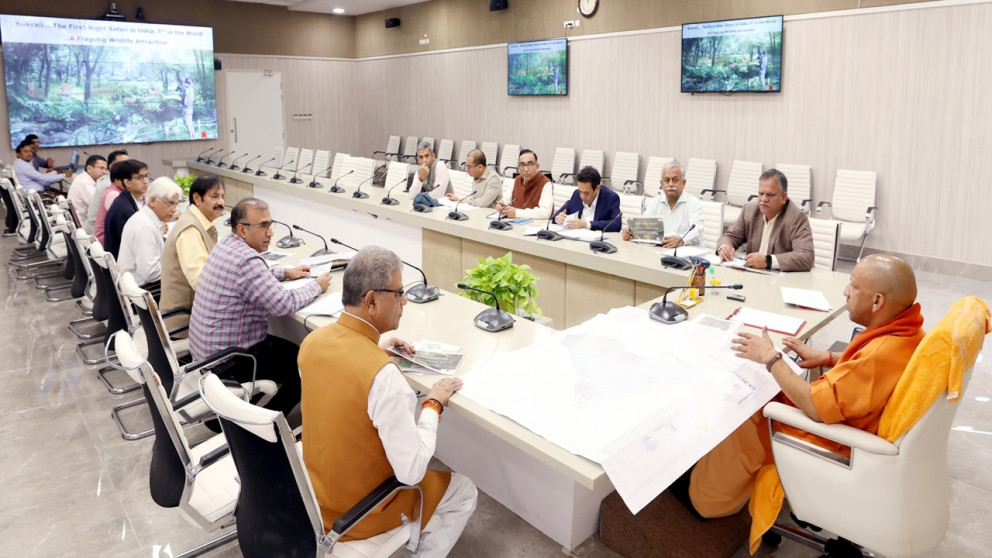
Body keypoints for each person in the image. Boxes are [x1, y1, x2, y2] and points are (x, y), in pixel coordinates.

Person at [684, 255, 924, 524]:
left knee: (746, 404)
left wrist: (771, 358)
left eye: (854, 286)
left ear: (877, 301)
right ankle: (714, 471)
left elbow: (814, 405)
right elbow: (865, 365)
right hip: (848, 423)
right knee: (766, 385)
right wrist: (828, 357)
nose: (846, 292)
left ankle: (708, 500)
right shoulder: (910, 333)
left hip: (833, 441)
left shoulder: (880, 355)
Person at [298, 246, 477, 557]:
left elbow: (341, 385)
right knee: (465, 491)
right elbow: (412, 472)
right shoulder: (383, 376)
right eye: (399, 293)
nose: (404, 301)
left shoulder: (312, 342)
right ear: (372, 300)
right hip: (362, 513)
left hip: (315, 497)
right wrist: (433, 404)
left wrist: (374, 349)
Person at [190, 198, 330, 418]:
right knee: (306, 364)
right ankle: (264, 425)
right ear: (242, 230)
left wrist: (286, 273)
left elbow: (249, 276)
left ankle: (248, 412)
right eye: (263, 225)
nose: (271, 232)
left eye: (270, 224)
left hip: (207, 357)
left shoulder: (226, 245)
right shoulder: (247, 261)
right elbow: (284, 304)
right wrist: (317, 286)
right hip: (231, 362)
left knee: (291, 352)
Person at [716, 168, 814, 272]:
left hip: (779, 278)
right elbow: (729, 236)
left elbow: (806, 256)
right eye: (761, 194)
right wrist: (725, 247)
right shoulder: (749, 210)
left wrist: (768, 261)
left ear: (784, 197)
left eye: (770, 195)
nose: (764, 199)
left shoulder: (797, 218)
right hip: (751, 275)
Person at [160, 174, 226, 322]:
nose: (221, 202)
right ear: (197, 198)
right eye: (215, 196)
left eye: (222, 196)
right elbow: (201, 283)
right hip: (184, 318)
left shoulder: (194, 220)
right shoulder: (190, 230)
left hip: (193, 312)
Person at [118, 177, 182, 288]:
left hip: (136, 285)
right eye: (170, 203)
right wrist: (179, 268)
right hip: (143, 289)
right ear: (152, 201)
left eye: (176, 204)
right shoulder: (145, 227)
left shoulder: (143, 217)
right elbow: (151, 273)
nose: (174, 209)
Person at [621, 161, 704, 247]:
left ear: (683, 183)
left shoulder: (693, 203)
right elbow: (643, 226)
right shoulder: (655, 202)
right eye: (666, 180)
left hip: (686, 251)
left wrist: (682, 240)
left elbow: (697, 230)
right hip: (660, 250)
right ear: (661, 183)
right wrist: (631, 233)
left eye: (675, 180)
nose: (670, 184)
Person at [552, 166, 622, 232]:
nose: (582, 196)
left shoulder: (610, 198)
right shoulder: (576, 194)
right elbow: (557, 214)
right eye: (580, 191)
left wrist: (587, 225)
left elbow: (616, 224)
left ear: (597, 188)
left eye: (586, 193)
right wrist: (558, 218)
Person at [103, 159, 149, 258]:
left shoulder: (125, 200)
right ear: (127, 182)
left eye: (146, 176)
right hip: (123, 264)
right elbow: (139, 244)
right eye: (139, 177)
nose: (145, 181)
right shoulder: (125, 210)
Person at [495, 148, 552, 220]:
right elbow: (505, 201)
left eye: (530, 165)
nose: (526, 170)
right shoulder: (517, 180)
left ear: (537, 166)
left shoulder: (545, 183)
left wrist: (517, 213)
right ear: (518, 167)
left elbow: (545, 213)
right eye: (522, 165)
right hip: (514, 223)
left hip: (535, 225)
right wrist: (501, 205)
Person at [85, 149, 129, 235]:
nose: (129, 167)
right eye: (124, 164)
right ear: (112, 167)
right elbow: (122, 215)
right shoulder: (108, 184)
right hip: (98, 234)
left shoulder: (114, 180)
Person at [67, 154, 108, 224]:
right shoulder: (84, 182)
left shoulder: (88, 179)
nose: (104, 172)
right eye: (101, 168)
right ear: (89, 168)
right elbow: (98, 205)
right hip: (82, 225)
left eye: (105, 169)